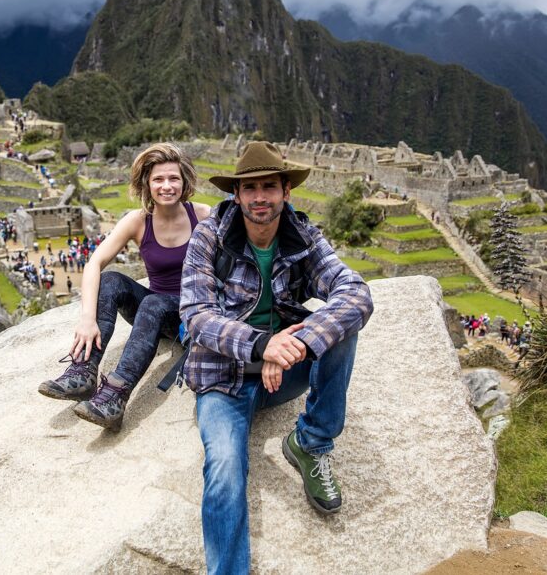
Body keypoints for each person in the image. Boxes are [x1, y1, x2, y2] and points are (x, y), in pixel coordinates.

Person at [180, 141, 373, 574]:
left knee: (341, 328)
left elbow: (355, 293)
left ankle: (310, 443)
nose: (260, 197)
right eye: (250, 188)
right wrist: (260, 344)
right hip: (222, 377)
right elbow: (195, 315)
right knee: (226, 469)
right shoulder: (209, 237)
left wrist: (297, 343)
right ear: (237, 194)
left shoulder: (302, 237)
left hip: (282, 370)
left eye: (270, 186)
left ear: (287, 191)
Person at [37, 143, 211, 430]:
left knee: (152, 304)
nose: (166, 186)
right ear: (146, 183)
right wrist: (87, 319)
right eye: (158, 179)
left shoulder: (203, 216)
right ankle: (84, 371)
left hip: (193, 314)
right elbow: (94, 264)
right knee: (112, 280)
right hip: (157, 309)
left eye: (173, 178)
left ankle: (116, 396)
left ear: (185, 181)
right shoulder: (138, 221)